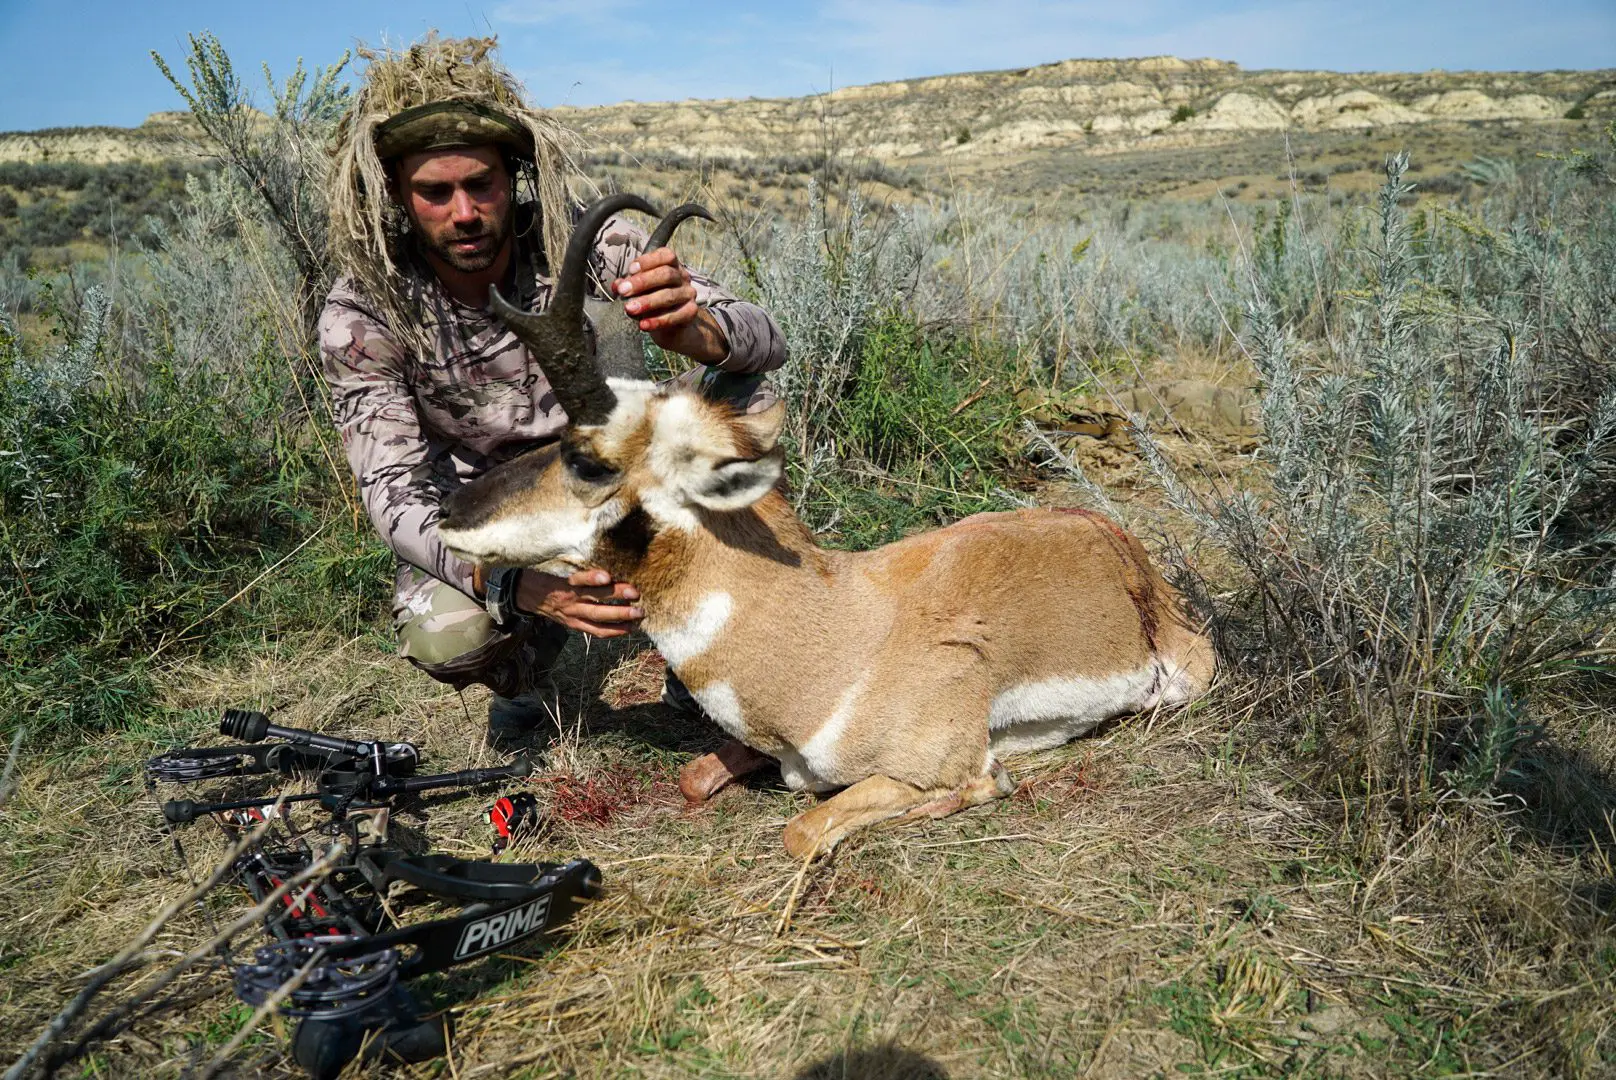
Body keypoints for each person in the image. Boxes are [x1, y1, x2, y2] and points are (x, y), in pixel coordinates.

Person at [318, 35, 787, 746]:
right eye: (435, 192)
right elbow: (391, 496)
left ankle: (701, 644)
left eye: (481, 183)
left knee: (746, 400)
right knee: (446, 636)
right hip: (508, 513)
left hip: (616, 479)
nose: (465, 211)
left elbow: (765, 340)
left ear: (514, 178)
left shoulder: (591, 244)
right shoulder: (364, 313)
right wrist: (512, 585)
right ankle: (524, 679)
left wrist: (693, 330)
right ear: (398, 198)